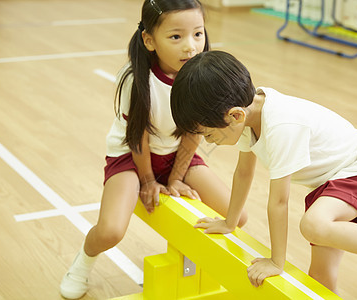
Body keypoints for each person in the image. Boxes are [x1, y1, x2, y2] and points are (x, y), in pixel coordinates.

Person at [170, 50, 357, 299]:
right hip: (329, 182)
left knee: (313, 225)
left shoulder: (280, 126)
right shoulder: (247, 114)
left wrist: (276, 261)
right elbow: (244, 173)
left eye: (208, 134)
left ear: (235, 115)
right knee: (320, 280)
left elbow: (279, 201)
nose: (208, 141)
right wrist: (229, 222)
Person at [59, 2, 247, 298]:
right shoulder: (136, 80)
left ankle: (191, 268)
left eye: (198, 34)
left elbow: (193, 133)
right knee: (110, 231)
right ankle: (81, 265)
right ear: (149, 40)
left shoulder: (200, 77)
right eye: (176, 37)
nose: (191, 47)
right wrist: (148, 180)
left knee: (237, 214)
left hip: (176, 153)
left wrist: (175, 177)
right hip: (131, 157)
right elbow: (137, 139)